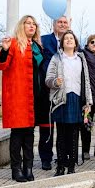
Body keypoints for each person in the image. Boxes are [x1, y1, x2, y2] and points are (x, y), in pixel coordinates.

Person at [0, 15, 44, 182]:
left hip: (34, 95)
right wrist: (5, 49)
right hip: (18, 96)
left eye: (34, 24)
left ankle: (28, 168)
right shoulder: (13, 44)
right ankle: (16, 169)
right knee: (18, 134)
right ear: (21, 26)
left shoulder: (37, 46)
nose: (31, 26)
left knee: (30, 133)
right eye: (28, 23)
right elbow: (0, 65)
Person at [46, 31, 93, 176]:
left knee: (74, 134)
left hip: (77, 98)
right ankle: (60, 166)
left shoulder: (81, 59)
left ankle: (72, 166)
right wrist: (55, 82)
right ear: (62, 43)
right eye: (66, 38)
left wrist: (88, 101)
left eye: (71, 38)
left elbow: (86, 81)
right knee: (61, 134)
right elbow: (48, 79)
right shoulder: (56, 58)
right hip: (61, 99)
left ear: (76, 42)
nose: (68, 40)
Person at [38, 16, 71, 170]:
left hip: (66, 92)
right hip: (47, 91)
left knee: (65, 126)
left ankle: (63, 156)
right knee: (47, 127)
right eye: (60, 22)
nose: (62, 24)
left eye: (65, 22)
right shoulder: (43, 40)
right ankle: (46, 158)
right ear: (54, 24)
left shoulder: (71, 42)